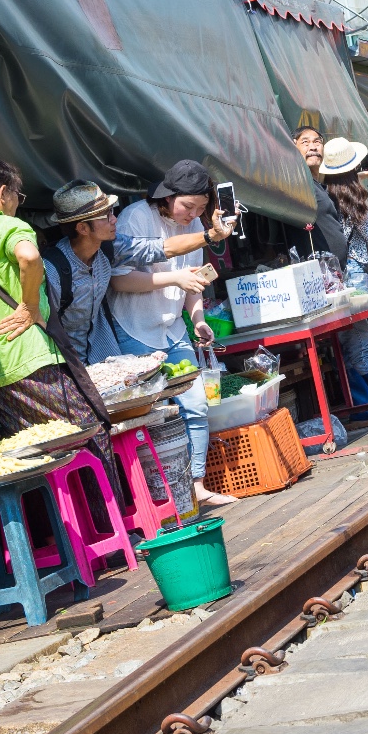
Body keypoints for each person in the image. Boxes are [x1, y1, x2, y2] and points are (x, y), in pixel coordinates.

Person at [0, 157, 111, 468]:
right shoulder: (7, 225)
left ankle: (53, 517)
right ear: (2, 193)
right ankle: (100, 516)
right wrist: (31, 306)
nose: (15, 204)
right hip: (30, 357)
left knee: (31, 457)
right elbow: (29, 255)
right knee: (88, 437)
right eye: (17, 197)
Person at [108, 162, 233, 508]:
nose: (193, 214)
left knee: (196, 405)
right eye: (187, 206)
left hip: (174, 329)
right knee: (155, 414)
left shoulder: (194, 226)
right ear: (167, 196)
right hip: (134, 327)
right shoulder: (136, 217)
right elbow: (119, 280)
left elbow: (192, 278)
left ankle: (196, 485)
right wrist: (175, 280)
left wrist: (198, 319)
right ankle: (162, 498)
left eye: (201, 209)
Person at [39, 179, 232, 364]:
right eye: (106, 215)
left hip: (100, 352)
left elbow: (160, 248)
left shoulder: (111, 248)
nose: (114, 219)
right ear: (82, 228)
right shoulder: (53, 271)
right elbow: (41, 324)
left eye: (111, 212)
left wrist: (211, 235)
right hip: (63, 361)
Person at [320, 137, 368, 413]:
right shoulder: (356, 198)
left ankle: (365, 405)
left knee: (347, 344)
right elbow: (364, 235)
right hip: (356, 276)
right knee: (364, 340)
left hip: (333, 278)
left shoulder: (324, 196)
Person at [294, 124, 353, 265]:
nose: (313, 147)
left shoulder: (321, 187)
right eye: (305, 142)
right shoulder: (298, 185)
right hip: (319, 272)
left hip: (336, 271)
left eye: (317, 142)